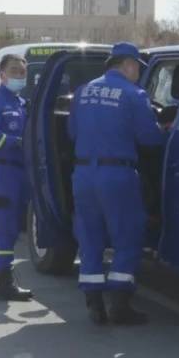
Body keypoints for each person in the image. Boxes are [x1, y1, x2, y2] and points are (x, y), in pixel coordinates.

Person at [68, 42, 165, 325]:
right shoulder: (134, 94)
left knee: (90, 237)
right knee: (127, 236)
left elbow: (72, 132)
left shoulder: (83, 91)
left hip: (83, 175)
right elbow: (149, 138)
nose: (138, 74)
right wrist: (165, 130)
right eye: (138, 68)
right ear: (128, 65)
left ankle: (94, 302)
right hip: (117, 175)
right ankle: (120, 305)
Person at [0, 54, 33, 301]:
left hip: (22, 171)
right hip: (4, 171)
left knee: (15, 227)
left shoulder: (22, 103)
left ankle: (5, 279)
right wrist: (16, 142)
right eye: (14, 71)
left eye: (22, 72)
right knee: (5, 226)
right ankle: (2, 281)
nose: (19, 76)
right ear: (2, 75)